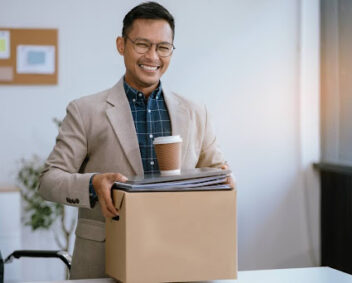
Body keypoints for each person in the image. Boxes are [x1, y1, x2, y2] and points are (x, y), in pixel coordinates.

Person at [38, 1, 232, 279]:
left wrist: (224, 179)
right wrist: (92, 184)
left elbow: (217, 171)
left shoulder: (195, 112)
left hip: (180, 255)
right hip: (106, 260)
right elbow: (48, 180)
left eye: (163, 47)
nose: (153, 56)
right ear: (121, 45)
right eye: (142, 44)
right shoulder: (85, 111)